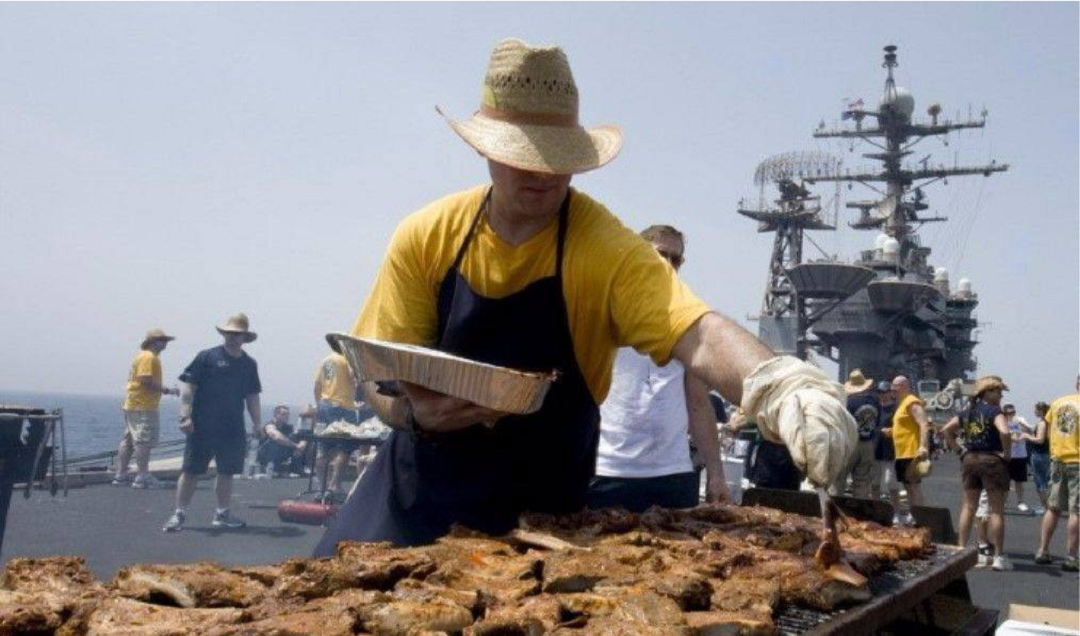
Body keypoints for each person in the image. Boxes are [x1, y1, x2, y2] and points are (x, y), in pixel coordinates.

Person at [314, 39, 855, 555]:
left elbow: (697, 331)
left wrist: (779, 384)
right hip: (418, 501)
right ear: (485, 150)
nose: (543, 172)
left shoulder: (604, 249)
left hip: (546, 519)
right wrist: (410, 413)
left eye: (556, 155)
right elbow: (377, 374)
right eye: (523, 154)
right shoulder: (428, 236)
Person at [588, 224, 729, 511]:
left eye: (675, 259)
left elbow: (699, 404)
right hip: (607, 469)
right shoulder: (604, 310)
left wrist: (716, 474)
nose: (667, 264)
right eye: (660, 254)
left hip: (671, 474)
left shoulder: (689, 323)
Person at [164, 313, 262, 532]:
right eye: (229, 332)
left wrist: (257, 423)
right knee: (191, 470)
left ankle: (222, 514)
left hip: (232, 427)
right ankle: (178, 513)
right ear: (223, 333)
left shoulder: (249, 364)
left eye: (237, 333)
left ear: (245, 336)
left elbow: (252, 396)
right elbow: (189, 386)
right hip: (202, 425)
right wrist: (185, 415)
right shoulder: (206, 357)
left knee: (226, 471)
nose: (232, 336)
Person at [941, 376, 1012, 570]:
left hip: (970, 460)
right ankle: (998, 557)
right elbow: (1005, 432)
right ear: (987, 393)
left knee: (968, 507)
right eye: (997, 391)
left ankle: (960, 550)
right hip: (991, 460)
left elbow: (946, 430)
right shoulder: (994, 411)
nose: (1000, 395)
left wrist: (959, 450)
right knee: (996, 510)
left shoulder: (967, 411)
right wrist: (1007, 454)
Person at [112, 329, 179, 489]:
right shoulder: (148, 357)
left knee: (129, 440)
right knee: (143, 440)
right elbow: (145, 380)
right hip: (143, 404)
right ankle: (142, 476)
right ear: (153, 341)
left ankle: (121, 475)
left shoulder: (145, 356)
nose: (165, 343)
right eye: (162, 340)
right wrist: (167, 390)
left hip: (134, 403)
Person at [1034, 377, 1079, 570]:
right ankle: (1071, 557)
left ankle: (1042, 551)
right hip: (1078, 461)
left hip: (1057, 460)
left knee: (1053, 508)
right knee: (1076, 511)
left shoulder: (1058, 402)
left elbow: (1047, 426)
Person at [313, 351, 361, 496]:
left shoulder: (326, 360)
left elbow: (317, 386)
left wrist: (320, 405)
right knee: (344, 447)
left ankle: (322, 487)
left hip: (324, 404)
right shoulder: (348, 359)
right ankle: (334, 486)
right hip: (344, 406)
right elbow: (355, 377)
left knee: (323, 446)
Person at [889, 375, 930, 526]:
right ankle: (914, 517)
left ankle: (921, 519)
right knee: (908, 487)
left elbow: (924, 424)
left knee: (914, 487)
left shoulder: (912, 402)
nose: (892, 389)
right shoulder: (901, 404)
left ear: (905, 386)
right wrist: (891, 431)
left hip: (911, 451)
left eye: (896, 386)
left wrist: (923, 446)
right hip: (902, 453)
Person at [834, 370, 880, 498]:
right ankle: (860, 513)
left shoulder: (847, 401)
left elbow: (840, 423)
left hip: (850, 445)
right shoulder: (875, 400)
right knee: (862, 482)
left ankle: (836, 511)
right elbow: (877, 422)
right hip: (868, 444)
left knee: (839, 480)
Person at [256, 405, 308, 476]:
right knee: (273, 441)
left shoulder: (288, 427)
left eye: (288, 414)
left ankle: (297, 468)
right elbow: (276, 436)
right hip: (265, 455)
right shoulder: (269, 425)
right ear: (276, 415)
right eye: (284, 414)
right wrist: (295, 446)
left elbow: (301, 435)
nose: (287, 416)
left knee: (294, 437)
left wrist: (301, 445)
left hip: (280, 454)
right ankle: (270, 467)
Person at [1002, 403, 1034, 514]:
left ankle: (1020, 502)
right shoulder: (1002, 422)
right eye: (1009, 413)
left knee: (1019, 481)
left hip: (1020, 455)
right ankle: (1004, 503)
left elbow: (1031, 430)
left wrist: (1023, 425)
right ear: (1004, 414)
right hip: (1007, 455)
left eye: (1013, 412)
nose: (1011, 415)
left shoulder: (1020, 420)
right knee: (1005, 481)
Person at [874, 380, 901, 502]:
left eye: (884, 392)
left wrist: (891, 430)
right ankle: (875, 509)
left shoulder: (896, 408)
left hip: (890, 450)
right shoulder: (875, 407)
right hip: (875, 449)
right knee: (874, 483)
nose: (882, 394)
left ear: (890, 392)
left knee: (891, 483)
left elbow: (902, 428)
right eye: (879, 392)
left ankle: (896, 511)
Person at [1023, 402, 1051, 515]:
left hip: (1039, 454)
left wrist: (1027, 436)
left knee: (1040, 482)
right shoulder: (1046, 423)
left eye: (1035, 409)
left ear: (1040, 410)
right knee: (1046, 481)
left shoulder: (1042, 424)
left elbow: (1040, 440)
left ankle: (1046, 507)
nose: (1034, 411)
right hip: (1046, 454)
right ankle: (1047, 506)